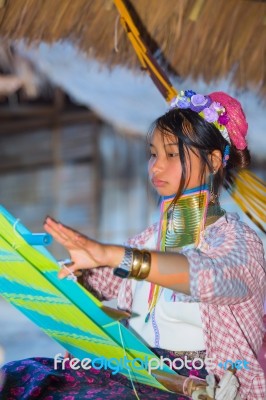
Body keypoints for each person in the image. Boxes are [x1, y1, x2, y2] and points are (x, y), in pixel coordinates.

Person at [0, 90, 265, 400]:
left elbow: (207, 276)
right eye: (153, 154)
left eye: (172, 155)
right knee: (19, 377)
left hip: (202, 386)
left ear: (214, 161)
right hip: (136, 371)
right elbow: (103, 278)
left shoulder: (240, 244)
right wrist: (74, 273)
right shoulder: (147, 239)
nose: (155, 167)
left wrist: (110, 254)